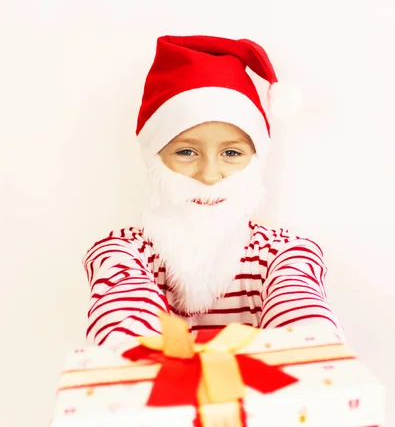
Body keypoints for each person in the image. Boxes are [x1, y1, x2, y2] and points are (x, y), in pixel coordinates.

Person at [83, 35, 343, 347]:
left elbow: (307, 336)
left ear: (255, 162)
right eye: (186, 153)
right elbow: (121, 338)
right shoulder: (121, 253)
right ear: (155, 160)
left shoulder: (284, 254)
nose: (209, 176)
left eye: (231, 154)